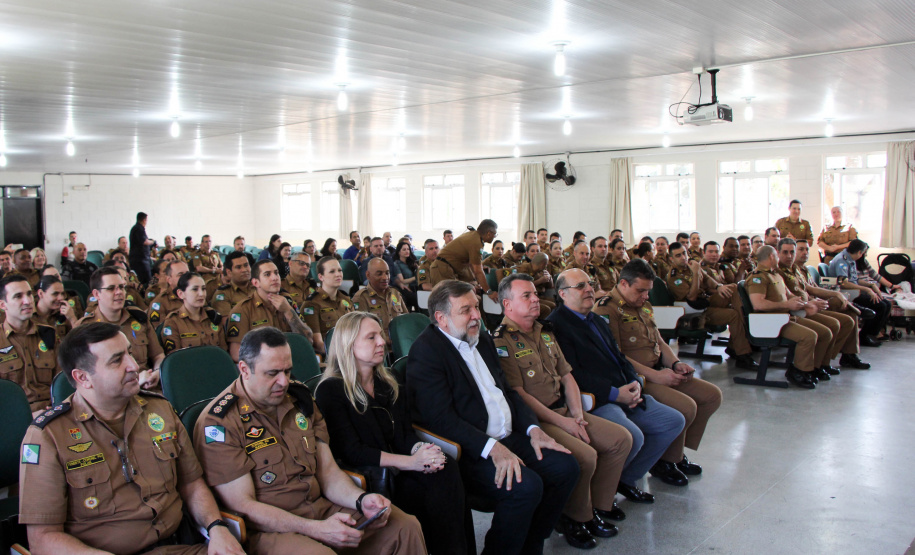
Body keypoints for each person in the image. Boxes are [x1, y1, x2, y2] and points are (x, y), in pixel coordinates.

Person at [194, 326, 426, 554]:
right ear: (244, 369)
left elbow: (328, 473)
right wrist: (316, 530)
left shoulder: (299, 400)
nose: (284, 382)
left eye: (287, 371)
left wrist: (360, 499)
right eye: (273, 373)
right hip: (269, 531)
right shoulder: (220, 423)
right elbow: (242, 505)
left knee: (404, 527)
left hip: (320, 508)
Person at [19, 321, 245, 555]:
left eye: (129, 352)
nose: (133, 365)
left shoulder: (159, 409)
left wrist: (216, 527)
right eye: (117, 360)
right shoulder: (48, 436)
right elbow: (43, 538)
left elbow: (191, 484)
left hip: (180, 546)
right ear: (83, 377)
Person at [407, 279, 578, 555]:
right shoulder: (427, 352)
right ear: (442, 318)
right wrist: (492, 448)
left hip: (509, 436)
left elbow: (508, 392)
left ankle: (531, 545)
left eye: (476, 306)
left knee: (565, 468)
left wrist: (534, 428)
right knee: (526, 488)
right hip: (471, 451)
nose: (477, 315)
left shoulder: (482, 339)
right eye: (466, 310)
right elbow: (440, 419)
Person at [492, 275, 632, 549]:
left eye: (535, 294)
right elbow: (518, 395)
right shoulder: (501, 341)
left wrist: (577, 415)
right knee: (586, 456)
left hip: (566, 409)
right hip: (540, 419)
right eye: (527, 296)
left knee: (620, 440)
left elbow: (566, 376)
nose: (536, 299)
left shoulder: (545, 331)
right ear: (507, 305)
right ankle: (574, 517)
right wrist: (563, 423)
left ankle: (598, 507)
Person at [315, 312, 466, 555]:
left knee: (445, 468)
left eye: (381, 335)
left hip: (399, 465)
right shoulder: (331, 390)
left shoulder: (388, 381)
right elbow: (352, 451)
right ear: (349, 344)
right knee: (432, 494)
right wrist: (411, 462)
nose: (382, 342)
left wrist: (422, 452)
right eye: (371, 337)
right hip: (369, 476)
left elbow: (404, 435)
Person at [545, 269, 685, 504]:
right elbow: (573, 373)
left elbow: (620, 357)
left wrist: (635, 382)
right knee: (633, 437)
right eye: (580, 286)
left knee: (673, 421)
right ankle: (600, 499)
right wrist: (614, 394)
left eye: (590, 284)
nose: (589, 289)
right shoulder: (556, 326)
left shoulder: (596, 319)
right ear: (563, 294)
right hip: (598, 398)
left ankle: (626, 479)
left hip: (626, 391)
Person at [593, 260, 722, 484]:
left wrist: (674, 363)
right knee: (685, 406)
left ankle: (676, 452)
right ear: (623, 283)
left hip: (659, 369)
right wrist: (656, 376)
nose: (645, 296)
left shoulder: (644, 304)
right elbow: (616, 356)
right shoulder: (606, 309)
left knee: (711, 396)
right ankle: (666, 461)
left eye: (648, 291)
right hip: (638, 377)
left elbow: (659, 340)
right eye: (640, 290)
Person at [666, 242, 758, 369]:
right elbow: (692, 298)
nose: (683, 257)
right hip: (695, 312)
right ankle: (742, 350)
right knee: (733, 314)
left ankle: (739, 343)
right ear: (671, 259)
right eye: (678, 255)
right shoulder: (674, 277)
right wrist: (697, 273)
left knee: (733, 288)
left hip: (706, 303)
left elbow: (709, 279)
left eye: (684, 253)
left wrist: (719, 287)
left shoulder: (691, 266)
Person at [776, 238, 862, 373]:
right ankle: (818, 364)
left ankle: (826, 361)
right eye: (785, 252)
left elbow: (810, 288)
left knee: (849, 317)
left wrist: (835, 294)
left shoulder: (795, 269)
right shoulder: (777, 272)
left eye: (792, 252)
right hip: (799, 311)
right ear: (777, 252)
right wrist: (809, 303)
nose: (789, 256)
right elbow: (786, 298)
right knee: (836, 323)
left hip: (810, 304)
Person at [747, 245, 823, 389]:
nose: (779, 258)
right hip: (769, 322)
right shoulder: (758, 277)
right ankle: (799, 371)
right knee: (808, 336)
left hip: (783, 318)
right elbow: (758, 305)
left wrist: (807, 304)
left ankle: (816, 367)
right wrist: (787, 305)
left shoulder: (776, 275)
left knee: (824, 332)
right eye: (777, 255)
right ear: (771, 256)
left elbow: (790, 296)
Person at [76, 267, 164, 390]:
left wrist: (156, 372)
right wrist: (135, 382)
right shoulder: (84, 329)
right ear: (96, 294)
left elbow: (158, 355)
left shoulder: (138, 318)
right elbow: (83, 376)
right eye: (111, 288)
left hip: (147, 388)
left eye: (122, 287)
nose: (119, 292)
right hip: (108, 396)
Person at [794, 240, 871, 368]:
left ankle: (849, 355)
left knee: (850, 314)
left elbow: (814, 288)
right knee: (841, 304)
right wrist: (833, 295)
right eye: (800, 250)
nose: (805, 253)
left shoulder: (804, 269)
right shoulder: (791, 271)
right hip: (807, 307)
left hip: (817, 303)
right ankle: (825, 359)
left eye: (807, 250)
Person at [226, 260, 313, 362]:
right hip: (262, 367)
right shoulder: (243, 309)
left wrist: (288, 311)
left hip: (292, 361)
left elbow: (308, 340)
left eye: (276, 273)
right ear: (255, 282)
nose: (275, 278)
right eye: (267, 274)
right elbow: (236, 353)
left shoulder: (287, 301)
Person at [0, 275, 59, 414]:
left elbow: (62, 383)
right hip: (14, 417)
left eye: (29, 294)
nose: (27, 301)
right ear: (3, 305)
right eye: (18, 296)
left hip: (52, 412)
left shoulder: (48, 334)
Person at [828, 239, 892, 345]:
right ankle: (865, 336)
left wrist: (871, 285)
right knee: (880, 306)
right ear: (859, 252)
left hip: (854, 291)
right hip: (846, 293)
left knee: (887, 304)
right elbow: (844, 283)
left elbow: (854, 280)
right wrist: (867, 289)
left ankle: (870, 334)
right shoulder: (842, 260)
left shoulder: (850, 258)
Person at [429, 220, 499, 302]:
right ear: (489, 233)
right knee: (448, 303)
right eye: (495, 234)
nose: (494, 237)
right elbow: (478, 271)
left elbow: (472, 264)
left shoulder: (473, 235)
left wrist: (475, 281)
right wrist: (489, 292)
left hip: (448, 268)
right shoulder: (476, 242)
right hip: (441, 269)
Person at [161, 272, 228, 354]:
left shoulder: (213, 316)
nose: (201, 294)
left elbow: (223, 352)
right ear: (181, 294)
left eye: (203, 289)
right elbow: (174, 359)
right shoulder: (173, 321)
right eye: (195, 289)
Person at [300, 257, 354, 356]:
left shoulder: (346, 300)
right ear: (321, 277)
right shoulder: (312, 304)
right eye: (332, 271)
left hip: (352, 353)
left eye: (340, 270)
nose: (338, 274)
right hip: (331, 358)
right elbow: (318, 345)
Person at [353, 258, 407, 348]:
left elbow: (406, 320)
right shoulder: (361, 298)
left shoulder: (395, 293)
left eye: (387, 273)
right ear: (368, 275)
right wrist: (386, 340)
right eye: (379, 274)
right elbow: (361, 331)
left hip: (401, 345)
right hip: (377, 348)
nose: (385, 277)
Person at [506, 252, 555, 317]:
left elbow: (550, 286)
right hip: (526, 298)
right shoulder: (524, 268)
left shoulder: (541, 271)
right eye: (545, 264)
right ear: (542, 264)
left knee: (555, 304)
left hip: (538, 296)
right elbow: (523, 286)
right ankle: (541, 325)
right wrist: (540, 281)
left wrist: (549, 278)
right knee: (546, 309)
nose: (546, 266)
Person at [211, 251, 254, 316]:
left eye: (246, 265)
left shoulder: (259, 289)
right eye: (238, 267)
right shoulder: (223, 294)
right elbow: (228, 323)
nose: (244, 270)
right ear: (229, 272)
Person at [147, 260, 188, 324]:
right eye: (180, 275)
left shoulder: (196, 295)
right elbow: (159, 330)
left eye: (187, 273)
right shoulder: (160, 302)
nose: (186, 277)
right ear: (169, 280)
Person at [128, 212, 155, 284]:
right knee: (145, 280)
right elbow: (144, 241)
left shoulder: (136, 228)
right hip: (140, 261)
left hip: (141, 260)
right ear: (144, 220)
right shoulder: (139, 228)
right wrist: (153, 242)